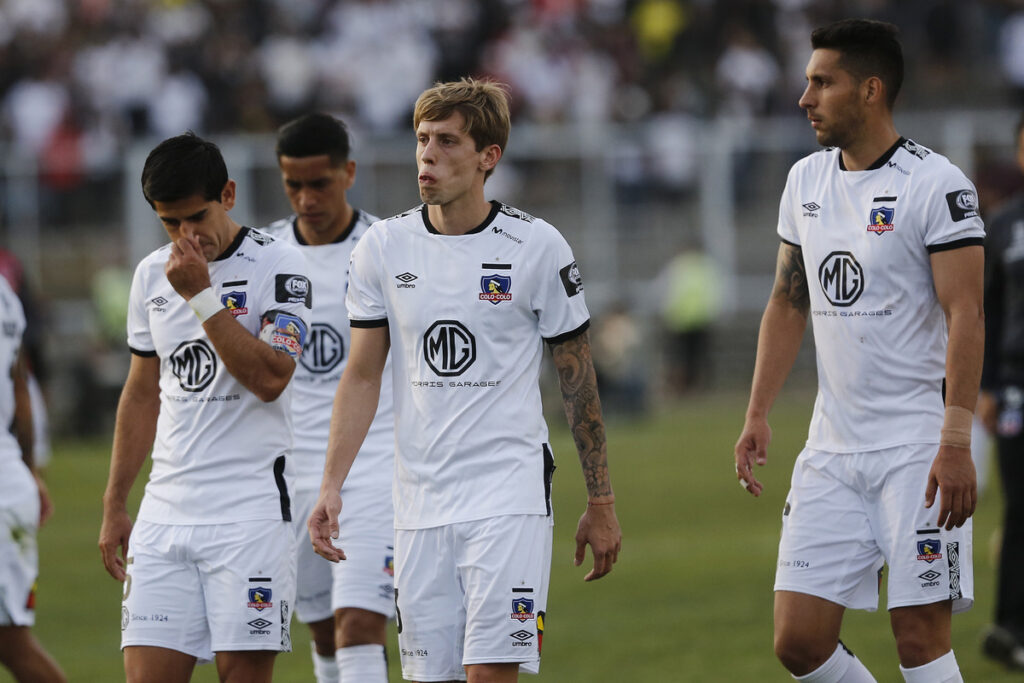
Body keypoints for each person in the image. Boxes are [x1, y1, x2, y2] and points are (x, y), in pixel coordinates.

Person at [308, 78, 622, 683]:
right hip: (419, 502)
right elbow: (363, 375)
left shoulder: (537, 246)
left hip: (509, 497)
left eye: (448, 141)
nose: (428, 154)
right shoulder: (383, 247)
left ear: (488, 158)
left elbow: (578, 383)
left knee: (491, 673)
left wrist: (601, 501)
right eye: (423, 139)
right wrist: (331, 486)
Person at [734, 19, 985, 683]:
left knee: (920, 638)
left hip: (916, 447)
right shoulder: (805, 182)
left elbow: (968, 312)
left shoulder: (936, 183)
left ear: (870, 90)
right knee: (798, 642)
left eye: (823, 81)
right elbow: (790, 300)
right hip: (832, 449)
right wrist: (758, 410)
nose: (804, 96)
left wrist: (955, 442)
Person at [97, 132, 312, 683]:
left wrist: (200, 297)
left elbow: (272, 378)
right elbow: (142, 391)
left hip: (249, 513)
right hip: (164, 513)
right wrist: (116, 500)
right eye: (170, 224)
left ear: (229, 194)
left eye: (196, 216)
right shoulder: (150, 276)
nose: (186, 236)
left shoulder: (281, 266)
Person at [263, 112, 395, 683]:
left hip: (375, 463)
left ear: (349, 173)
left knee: (359, 624)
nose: (305, 197)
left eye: (319, 183)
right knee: (320, 629)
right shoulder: (264, 254)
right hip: (291, 470)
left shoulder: (388, 247)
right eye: (293, 184)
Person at [0, 276, 66, 682]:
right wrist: (28, 468)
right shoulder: (5, 294)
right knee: (11, 641)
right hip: (9, 480)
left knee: (12, 643)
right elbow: (19, 383)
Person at [978, 111, 1024, 670]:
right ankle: (1010, 626)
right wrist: (986, 385)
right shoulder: (1004, 226)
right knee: (1021, 505)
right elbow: (981, 312)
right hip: (1016, 386)